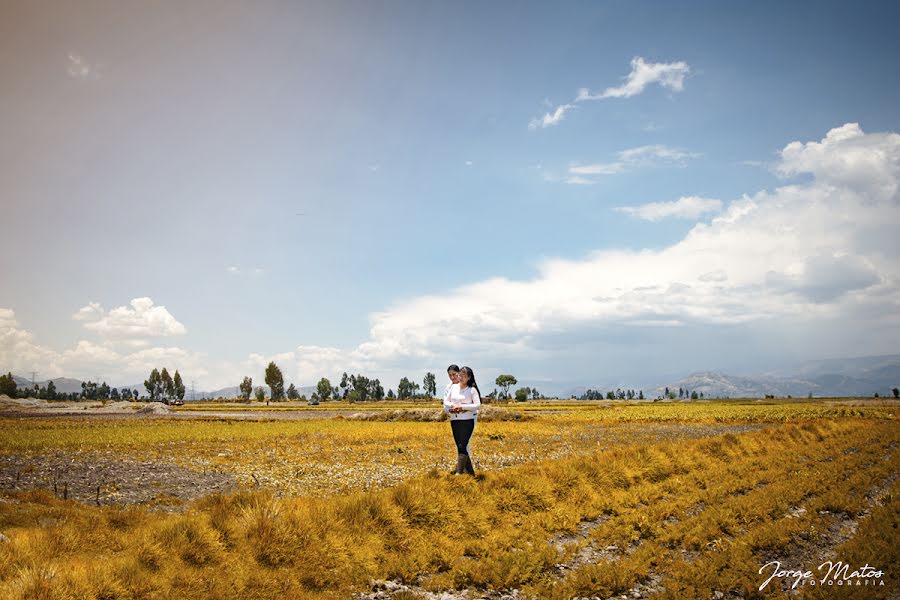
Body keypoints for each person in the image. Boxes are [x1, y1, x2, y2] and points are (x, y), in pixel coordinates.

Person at [443, 365, 481, 475]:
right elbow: (446, 401)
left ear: (469, 377)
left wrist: (462, 407)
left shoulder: (472, 390)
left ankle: (458, 473)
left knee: (462, 446)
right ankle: (471, 473)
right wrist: (453, 406)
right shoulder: (453, 387)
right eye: (459, 375)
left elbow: (477, 405)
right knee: (460, 446)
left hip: (467, 420)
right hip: (455, 420)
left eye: (463, 376)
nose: (460, 378)